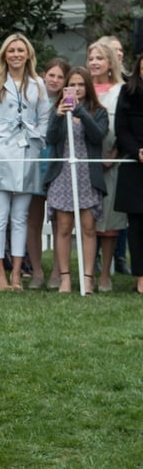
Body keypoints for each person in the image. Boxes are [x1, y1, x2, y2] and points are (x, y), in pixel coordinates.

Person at [0, 33, 49, 291]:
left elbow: (45, 118)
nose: (16, 54)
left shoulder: (37, 83)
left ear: (28, 54)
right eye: (11, 50)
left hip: (27, 153)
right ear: (4, 54)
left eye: (20, 50)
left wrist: (35, 140)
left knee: (20, 217)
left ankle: (17, 272)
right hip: (0, 153)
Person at [43, 67, 107, 293]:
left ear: (87, 86)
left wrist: (81, 112)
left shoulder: (98, 111)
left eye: (81, 85)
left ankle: (87, 278)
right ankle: (65, 279)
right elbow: (50, 139)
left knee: (89, 227)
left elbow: (98, 136)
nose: (77, 89)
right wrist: (59, 117)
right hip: (62, 175)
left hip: (87, 175)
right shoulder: (57, 110)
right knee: (63, 227)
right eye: (73, 85)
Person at [86, 40, 127, 292]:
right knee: (87, 220)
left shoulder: (122, 90)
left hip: (112, 162)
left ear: (111, 62)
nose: (94, 62)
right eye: (91, 57)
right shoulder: (80, 86)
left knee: (110, 221)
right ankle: (88, 274)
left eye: (99, 58)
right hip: (84, 161)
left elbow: (126, 126)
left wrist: (114, 154)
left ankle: (105, 276)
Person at [32, 57, 71, 288]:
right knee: (33, 219)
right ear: (44, 74)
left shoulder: (68, 100)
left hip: (57, 164)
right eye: (51, 75)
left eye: (60, 76)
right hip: (35, 162)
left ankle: (58, 271)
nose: (55, 80)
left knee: (59, 221)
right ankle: (37, 271)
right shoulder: (33, 96)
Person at [114, 53, 143, 294]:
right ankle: (141, 276)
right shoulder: (127, 93)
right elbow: (120, 129)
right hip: (135, 165)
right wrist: (137, 151)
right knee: (136, 225)